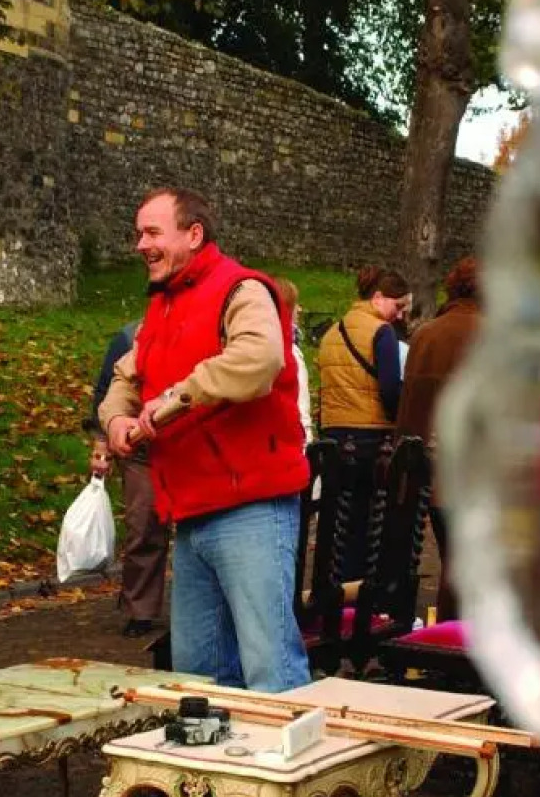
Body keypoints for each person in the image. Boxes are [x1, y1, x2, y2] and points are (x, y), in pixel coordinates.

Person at [100, 187, 310, 695]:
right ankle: (222, 774)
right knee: (198, 675)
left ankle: (283, 772)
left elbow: (259, 361)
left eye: (152, 232)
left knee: (271, 669)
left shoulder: (243, 290)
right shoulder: (163, 308)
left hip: (251, 507)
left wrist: (167, 406)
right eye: (138, 234)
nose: (140, 245)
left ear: (193, 235)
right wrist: (115, 423)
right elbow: (124, 379)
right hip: (192, 513)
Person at [397, 256, 481, 622]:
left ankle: (446, 640)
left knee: (455, 558)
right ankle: (463, 646)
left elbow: (410, 405)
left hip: (434, 469)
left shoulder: (426, 334)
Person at [316, 266, 411, 583]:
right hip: (370, 439)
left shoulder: (331, 334)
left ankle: (329, 587)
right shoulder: (380, 333)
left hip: (333, 437)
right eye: (397, 306)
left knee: (335, 523)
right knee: (365, 523)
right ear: (378, 297)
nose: (398, 315)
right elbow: (388, 390)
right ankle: (357, 598)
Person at [86, 319, 170, 638]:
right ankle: (140, 608)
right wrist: (102, 444)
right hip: (140, 448)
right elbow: (106, 392)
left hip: (187, 444)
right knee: (144, 524)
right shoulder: (127, 337)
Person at [271, 278, 315, 444]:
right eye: (296, 305)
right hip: (289, 441)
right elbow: (300, 408)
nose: (300, 309)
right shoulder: (291, 353)